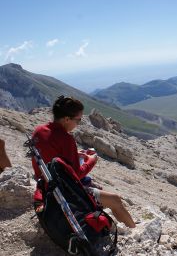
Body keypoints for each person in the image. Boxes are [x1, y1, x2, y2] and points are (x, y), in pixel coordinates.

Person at [31, 95, 136, 228]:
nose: (78, 123)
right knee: (115, 199)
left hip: (44, 186)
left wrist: (75, 154)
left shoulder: (39, 131)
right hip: (63, 192)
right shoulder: (66, 139)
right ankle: (133, 231)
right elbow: (76, 175)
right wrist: (91, 161)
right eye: (78, 120)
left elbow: (51, 155)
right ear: (66, 119)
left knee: (95, 187)